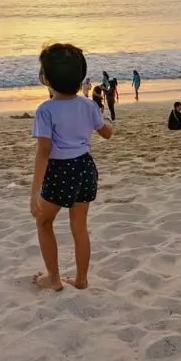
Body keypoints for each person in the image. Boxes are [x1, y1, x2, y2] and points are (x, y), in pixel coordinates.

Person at [30, 43, 114, 292]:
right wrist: (106, 121)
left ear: (47, 78)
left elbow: (44, 151)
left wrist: (35, 190)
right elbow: (107, 133)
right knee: (79, 226)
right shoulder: (88, 105)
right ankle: (81, 279)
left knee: (44, 223)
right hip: (85, 167)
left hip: (60, 170)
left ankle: (54, 279)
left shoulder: (46, 110)